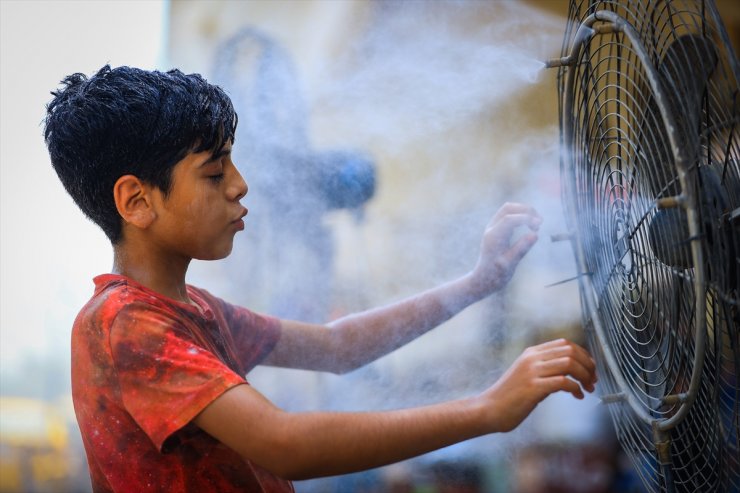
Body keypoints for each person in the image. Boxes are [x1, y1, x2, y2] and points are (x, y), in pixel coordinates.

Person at [44, 65, 597, 493]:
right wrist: (487, 410)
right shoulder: (125, 324)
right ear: (137, 201)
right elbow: (284, 444)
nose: (240, 186)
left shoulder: (196, 311)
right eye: (214, 173)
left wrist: (479, 282)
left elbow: (338, 345)